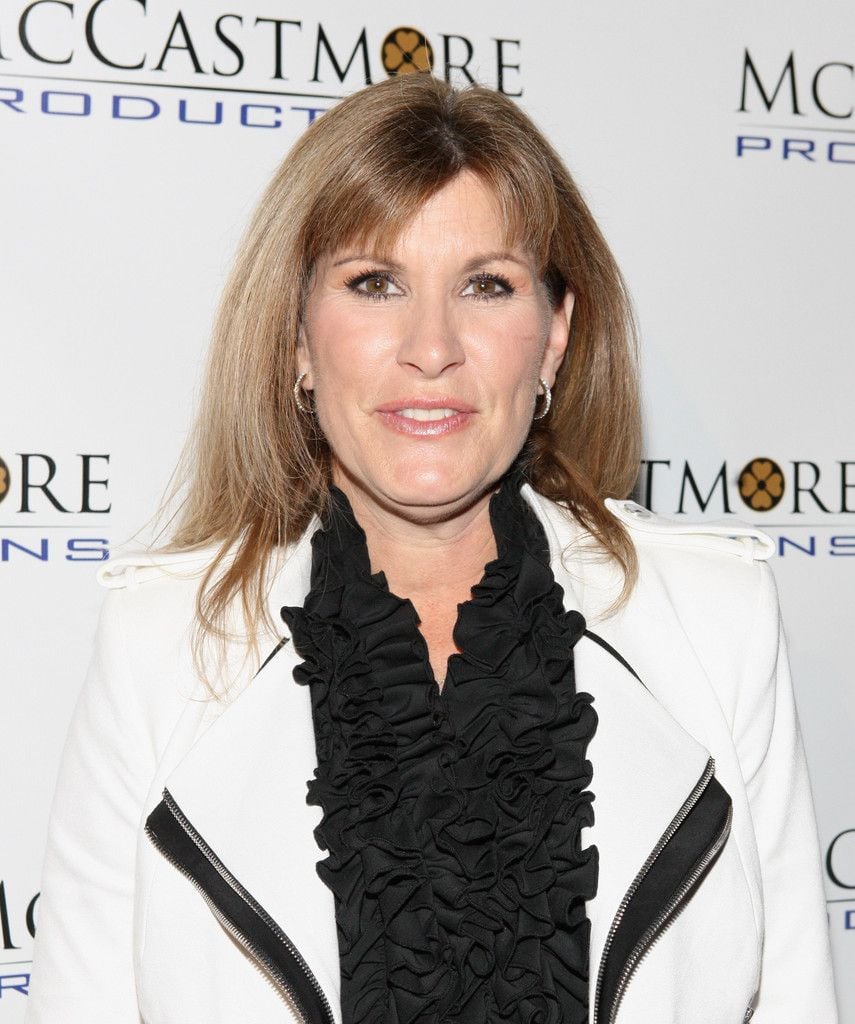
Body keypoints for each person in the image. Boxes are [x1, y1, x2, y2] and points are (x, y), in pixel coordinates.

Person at [25, 73, 837, 1024]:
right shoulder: (161, 645)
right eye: (374, 284)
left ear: (553, 336)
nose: (431, 346)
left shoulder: (714, 620)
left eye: (486, 286)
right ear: (296, 338)